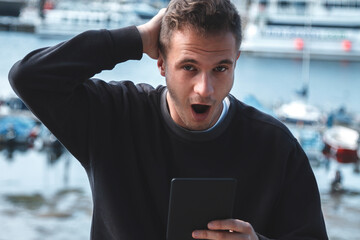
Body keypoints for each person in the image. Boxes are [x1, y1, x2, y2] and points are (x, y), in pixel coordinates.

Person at [8, 0, 328, 239]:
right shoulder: (113, 115)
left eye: (221, 68)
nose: (205, 89)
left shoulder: (275, 146)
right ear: (161, 64)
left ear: (236, 62)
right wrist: (137, 38)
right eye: (188, 67)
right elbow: (29, 77)